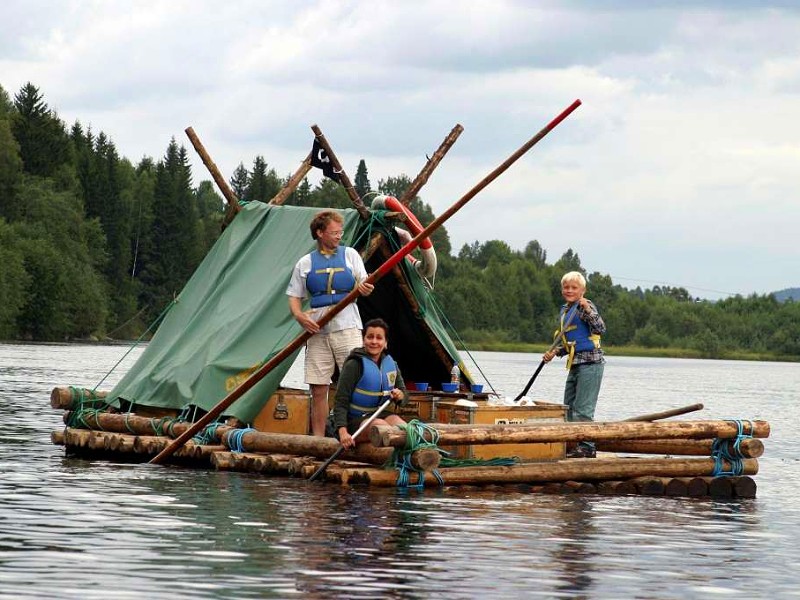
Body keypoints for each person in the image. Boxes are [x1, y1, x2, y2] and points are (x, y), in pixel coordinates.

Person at [286, 210, 374, 437]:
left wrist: (364, 288)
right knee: (318, 388)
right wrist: (299, 315)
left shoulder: (350, 255)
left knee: (355, 381)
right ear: (320, 233)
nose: (338, 236)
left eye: (340, 232)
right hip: (317, 330)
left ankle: (354, 435)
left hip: (347, 326)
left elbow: (365, 283)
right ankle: (319, 440)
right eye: (334, 232)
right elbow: (294, 296)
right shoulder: (305, 263)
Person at [543, 271, 606, 458]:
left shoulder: (585, 306)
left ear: (582, 290)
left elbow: (600, 328)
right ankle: (574, 443)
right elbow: (572, 342)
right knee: (568, 407)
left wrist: (588, 309)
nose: (569, 290)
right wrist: (555, 352)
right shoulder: (566, 309)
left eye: (574, 288)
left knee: (583, 409)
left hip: (591, 364)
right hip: (576, 363)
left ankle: (587, 446)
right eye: (566, 287)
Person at [333, 318, 408, 449]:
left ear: (385, 343)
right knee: (382, 428)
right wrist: (343, 432)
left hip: (379, 414)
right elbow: (340, 400)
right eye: (370, 337)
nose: (374, 341)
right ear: (364, 340)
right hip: (354, 420)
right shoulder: (354, 365)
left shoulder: (392, 364)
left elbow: (404, 396)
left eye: (379, 338)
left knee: (405, 428)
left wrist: (400, 395)